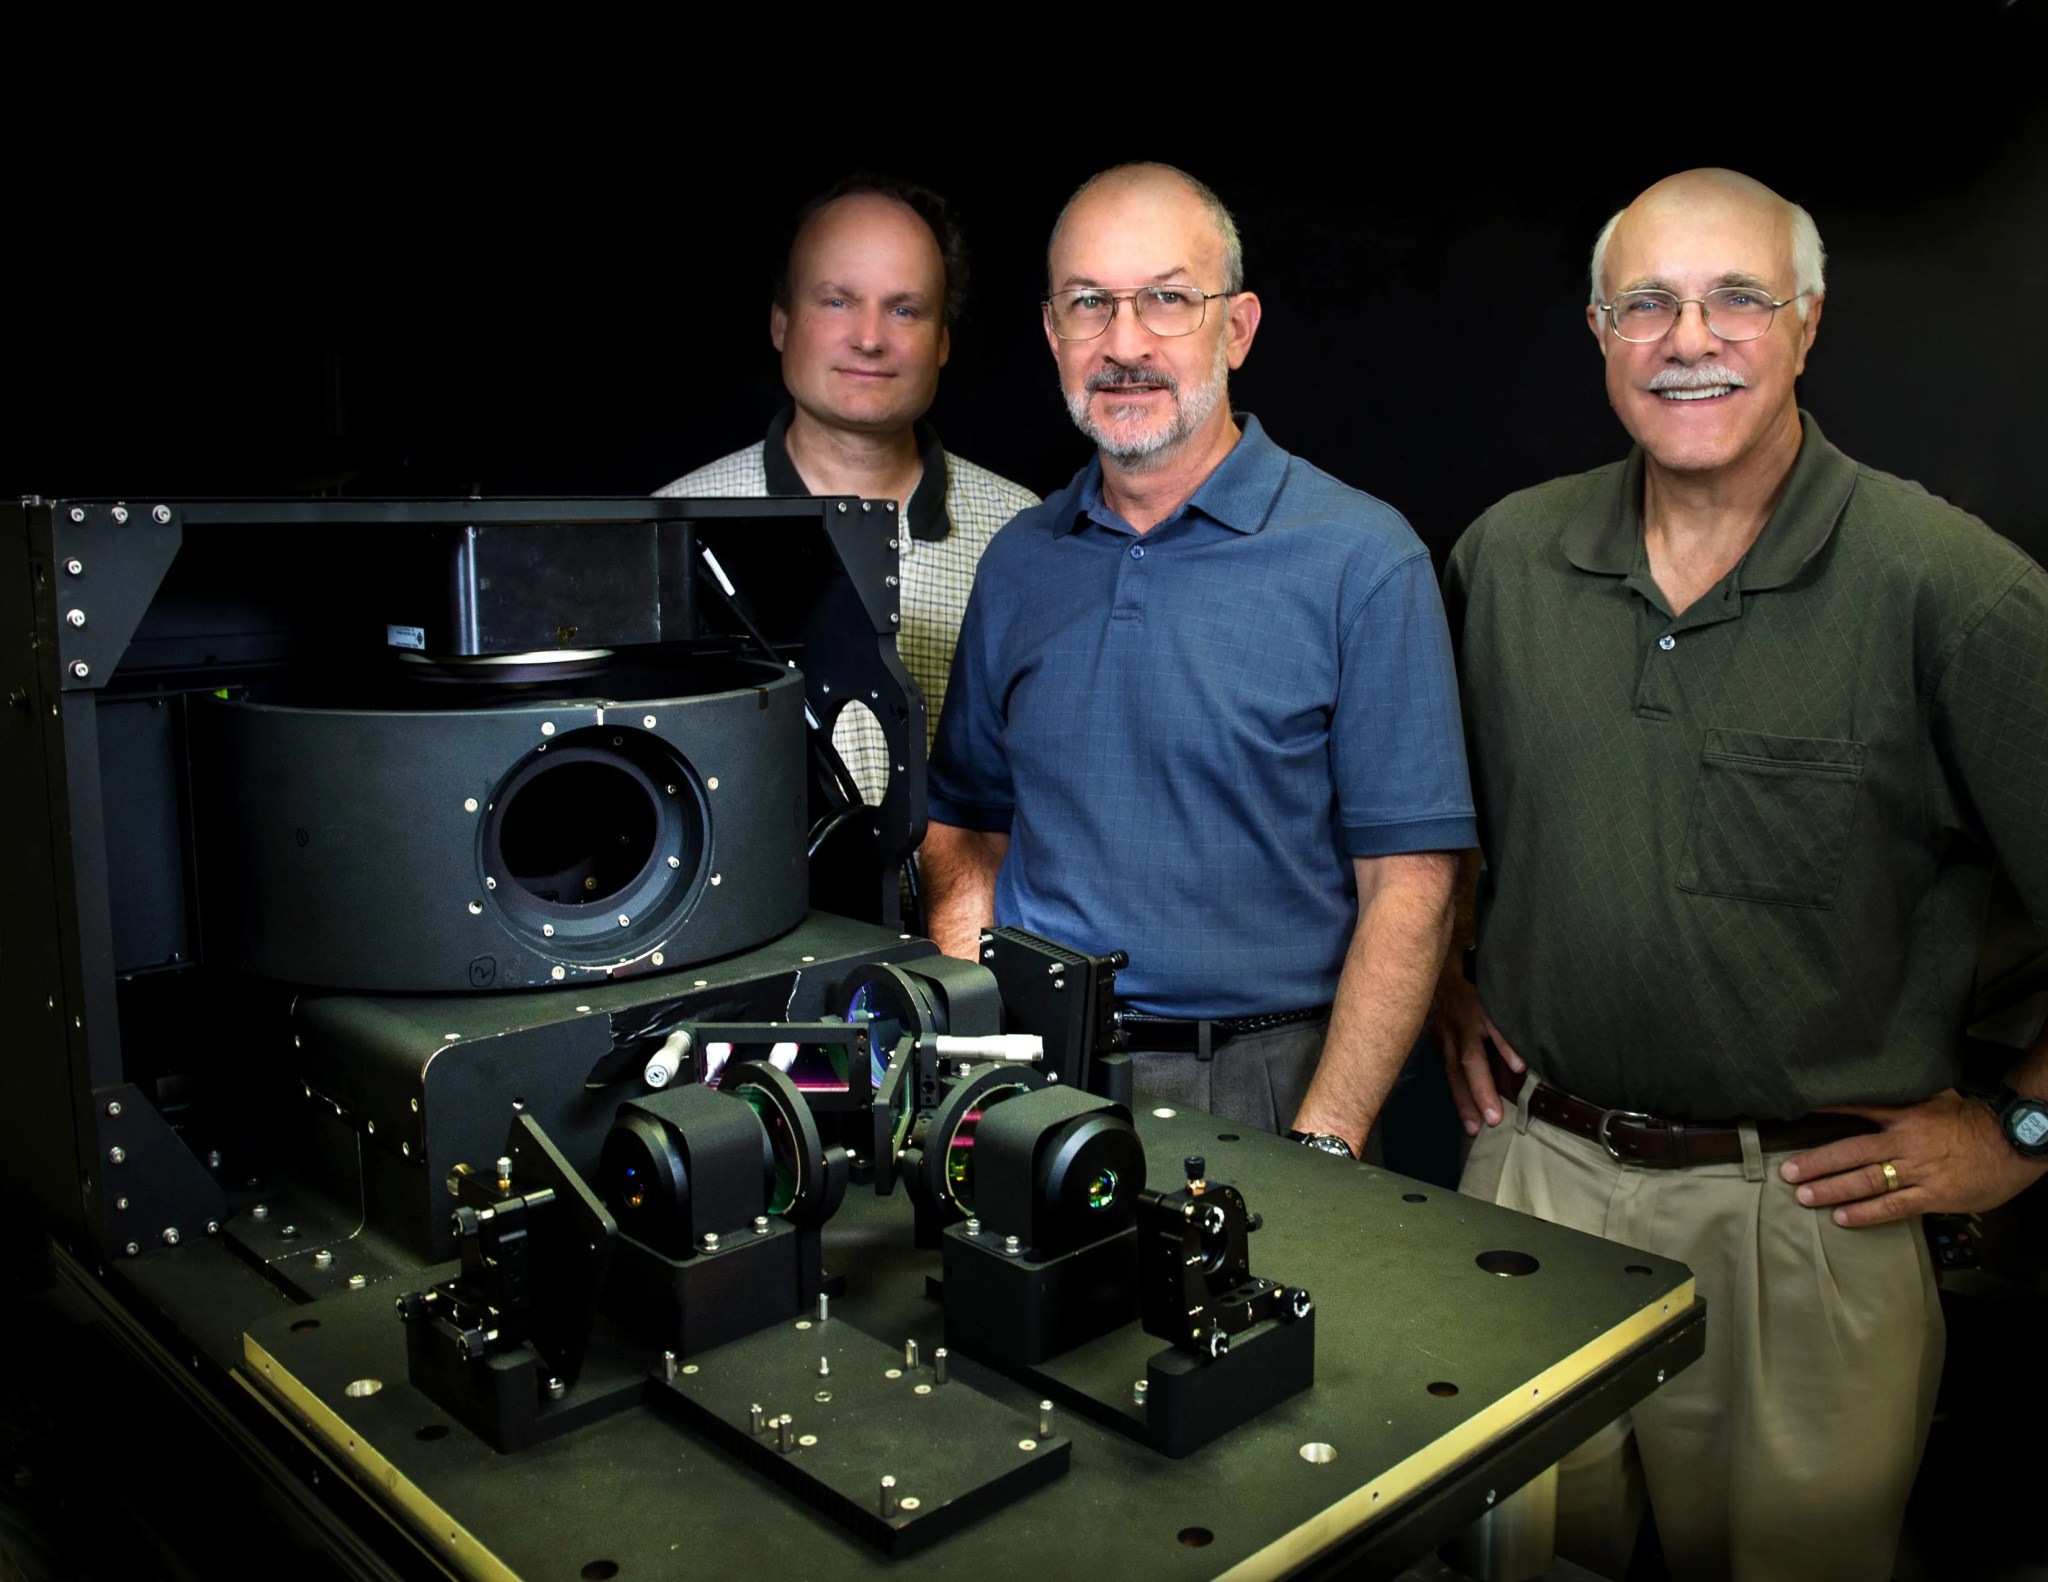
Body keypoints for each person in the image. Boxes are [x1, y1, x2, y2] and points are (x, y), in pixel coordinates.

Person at [1437, 168, 2048, 1580]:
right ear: (1598, 332)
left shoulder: (1953, 591)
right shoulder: (1508, 560)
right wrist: (1453, 977)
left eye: (1735, 300)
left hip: (1808, 1223)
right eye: (1645, 303)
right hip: (1534, 1186)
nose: (1687, 338)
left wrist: (2016, 1137)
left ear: (1809, 325)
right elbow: (1437, 826)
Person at [924, 163, 1475, 1158]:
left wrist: (1327, 1140)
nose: (1123, 343)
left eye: (1168, 300)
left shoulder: (1361, 557)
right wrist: (981, 1056)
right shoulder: (1016, 561)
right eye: (1088, 303)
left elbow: (1412, 883)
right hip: (1037, 1081)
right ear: (1051, 333)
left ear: (1237, 327)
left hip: (1270, 1085)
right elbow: (965, 831)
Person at [656, 175, 1037, 806]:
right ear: (781, 322)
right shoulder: (670, 530)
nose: (869, 338)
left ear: (943, 340)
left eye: (904, 309)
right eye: (837, 301)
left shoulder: (1027, 535)